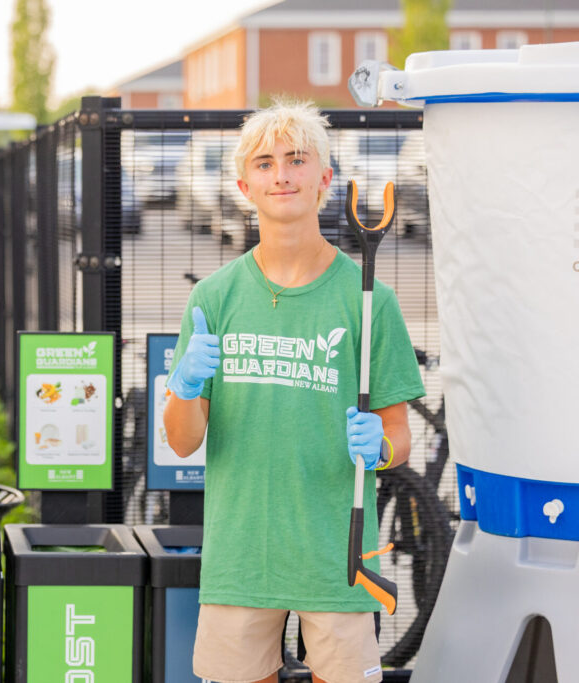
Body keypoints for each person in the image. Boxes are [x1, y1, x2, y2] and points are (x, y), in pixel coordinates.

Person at [163, 100, 424, 683]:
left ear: (325, 179)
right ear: (243, 185)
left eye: (297, 160)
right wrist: (185, 387)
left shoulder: (369, 301)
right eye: (265, 163)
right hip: (240, 560)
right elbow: (182, 443)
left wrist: (379, 446)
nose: (281, 174)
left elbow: (401, 436)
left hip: (338, 557)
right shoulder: (213, 299)